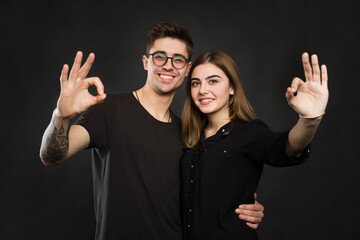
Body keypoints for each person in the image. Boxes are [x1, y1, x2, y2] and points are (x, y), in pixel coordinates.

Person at [39, 23, 264, 240]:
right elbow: (52, 155)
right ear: (146, 62)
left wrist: (243, 207)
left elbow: (206, 196)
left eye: (178, 60)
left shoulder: (189, 134)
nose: (168, 65)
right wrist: (61, 117)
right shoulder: (110, 110)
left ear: (187, 69)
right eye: (160, 56)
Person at [180, 50, 328, 239]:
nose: (202, 90)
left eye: (213, 81)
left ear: (232, 87)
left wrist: (309, 120)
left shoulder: (248, 132)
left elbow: (286, 146)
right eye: (195, 83)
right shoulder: (188, 139)